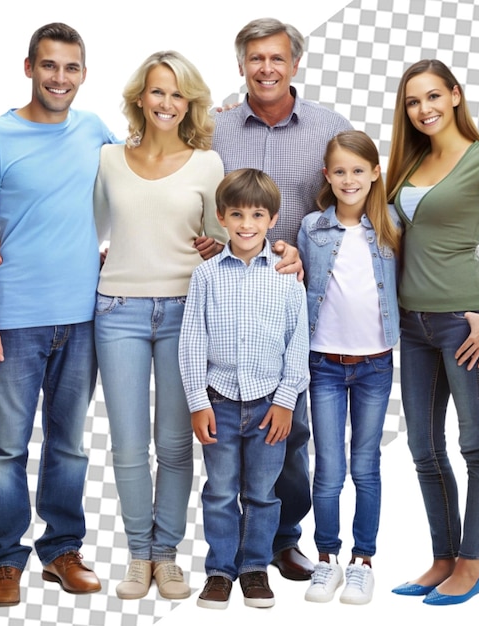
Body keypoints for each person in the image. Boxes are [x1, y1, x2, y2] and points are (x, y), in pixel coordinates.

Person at [211, 17, 479, 581]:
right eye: (255, 59)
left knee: (458, 444)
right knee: (398, 449)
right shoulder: (223, 129)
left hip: (439, 328)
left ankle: (453, 563)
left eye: (277, 57)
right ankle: (271, 552)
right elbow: (174, 150)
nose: (267, 68)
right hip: (289, 312)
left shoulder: (369, 157)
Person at [0, 23, 117, 608]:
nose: (60, 78)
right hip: (15, 317)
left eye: (71, 68)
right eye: (49, 66)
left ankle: (62, 551)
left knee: (69, 443)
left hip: (84, 317)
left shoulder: (96, 130)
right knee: (5, 449)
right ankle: (3, 562)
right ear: (29, 68)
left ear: (84, 74)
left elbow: (143, 176)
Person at [386, 59, 479, 605]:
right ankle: (442, 557)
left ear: (456, 95)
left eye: (433, 97)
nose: (424, 109)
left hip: (463, 320)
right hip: (412, 323)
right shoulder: (409, 162)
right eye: (413, 102)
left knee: (476, 443)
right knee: (422, 444)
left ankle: (472, 562)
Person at [92, 51, 228, 601]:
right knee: (128, 445)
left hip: (185, 313)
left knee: (174, 444)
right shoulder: (106, 158)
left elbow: (224, 241)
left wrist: (215, 244)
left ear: (189, 103)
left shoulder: (208, 164)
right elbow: (87, 230)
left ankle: (167, 556)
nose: (166, 103)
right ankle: (139, 553)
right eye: (156, 92)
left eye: (177, 94)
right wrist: (7, 247)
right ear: (139, 99)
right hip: (117, 311)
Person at [179, 168, 310, 609]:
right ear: (221, 217)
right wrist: (198, 402)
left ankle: (254, 567)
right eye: (237, 214)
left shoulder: (287, 276)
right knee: (219, 490)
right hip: (219, 401)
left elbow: (299, 343)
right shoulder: (207, 276)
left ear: (272, 219)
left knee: (262, 492)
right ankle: (219, 570)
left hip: (269, 405)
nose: (247, 224)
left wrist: (286, 401)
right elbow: (192, 340)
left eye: (257, 214)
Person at [298, 130, 400, 605]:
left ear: (375, 173)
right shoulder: (313, 228)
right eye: (339, 170)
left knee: (366, 466)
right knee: (330, 468)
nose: (349, 178)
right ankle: (326, 558)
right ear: (327, 175)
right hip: (325, 365)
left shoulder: (392, 227)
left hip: (376, 365)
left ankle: (363, 561)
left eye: (358, 170)